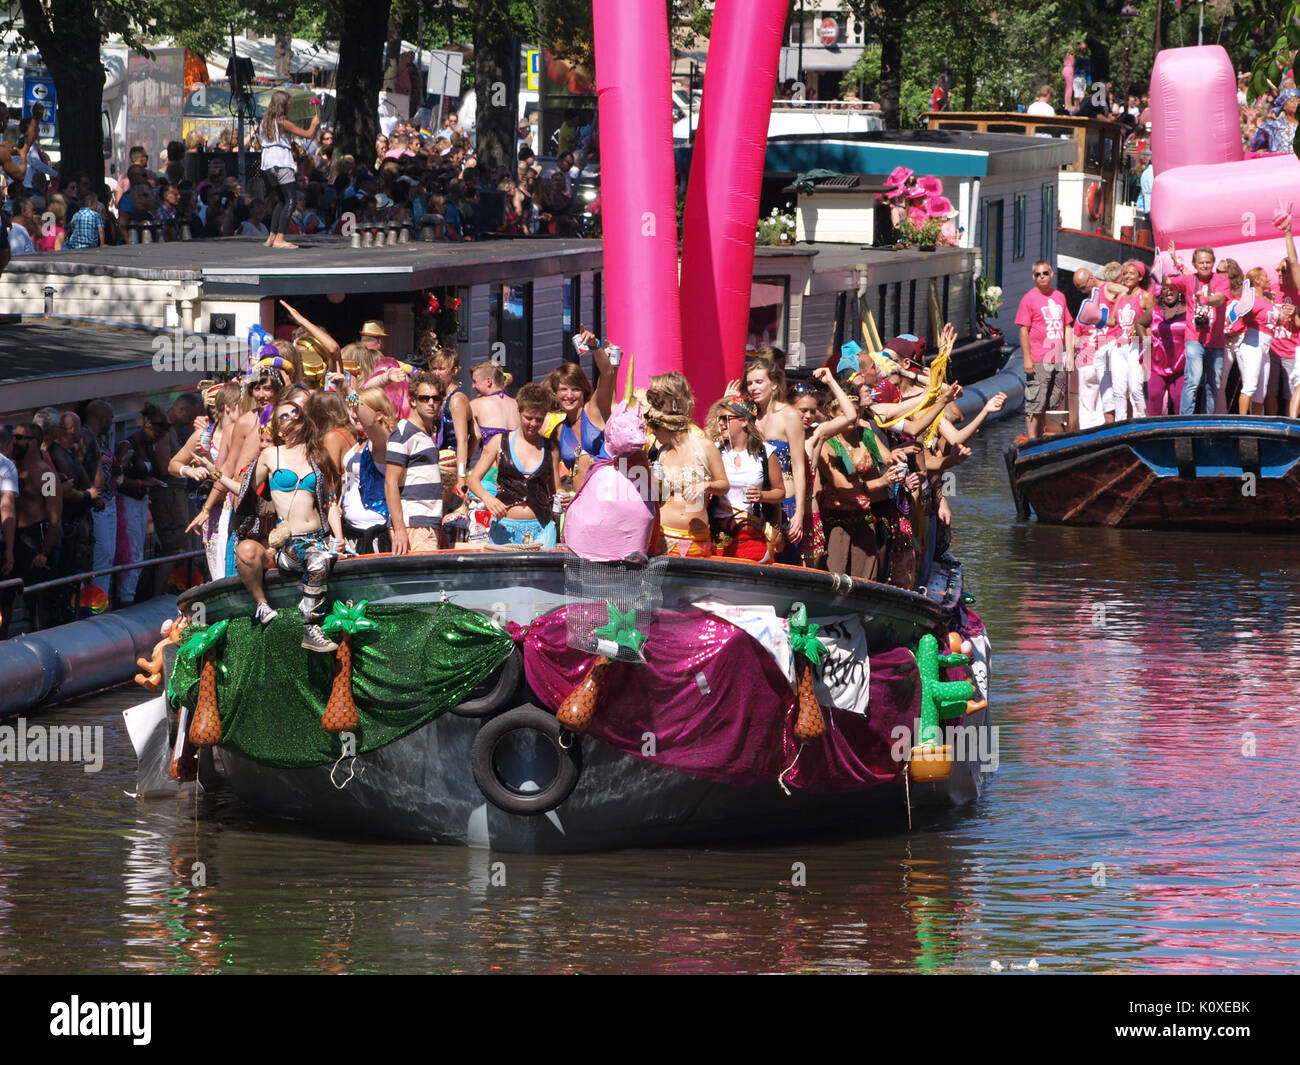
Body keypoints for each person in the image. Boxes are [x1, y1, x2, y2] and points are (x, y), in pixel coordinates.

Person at [220, 398, 343, 652]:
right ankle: (310, 626)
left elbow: (331, 503)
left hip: (319, 536)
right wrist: (216, 476)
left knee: (328, 557)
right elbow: (245, 493)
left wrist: (339, 538)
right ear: (278, 429)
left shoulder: (318, 455)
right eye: (284, 416)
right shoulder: (270, 455)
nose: (291, 418)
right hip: (291, 543)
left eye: (294, 413)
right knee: (317, 560)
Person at [466, 383, 562, 547]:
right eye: (528, 418)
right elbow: (473, 479)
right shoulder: (499, 442)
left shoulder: (551, 448)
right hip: (505, 529)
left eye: (538, 419)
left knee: (542, 574)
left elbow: (555, 489)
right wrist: (488, 498)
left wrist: (563, 495)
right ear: (519, 412)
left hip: (542, 529)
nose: (533, 424)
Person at [645, 373, 727, 558]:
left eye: (658, 398)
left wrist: (706, 485)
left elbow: (724, 484)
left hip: (697, 539)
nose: (653, 402)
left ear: (674, 401)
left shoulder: (703, 444)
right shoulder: (661, 449)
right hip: (663, 536)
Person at [736, 354, 807, 561]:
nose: (753, 388)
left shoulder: (789, 415)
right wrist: (729, 401)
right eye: (749, 383)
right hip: (756, 502)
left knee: (787, 561)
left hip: (787, 502)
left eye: (759, 382)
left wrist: (800, 512)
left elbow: (799, 466)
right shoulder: (749, 418)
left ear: (774, 385)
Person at [711, 398, 784, 562]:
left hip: (752, 535)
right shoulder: (715, 450)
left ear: (744, 421)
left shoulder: (765, 453)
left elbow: (780, 492)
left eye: (726, 419)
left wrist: (762, 495)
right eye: (719, 419)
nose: (721, 423)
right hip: (719, 535)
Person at [1165, 243, 1230, 415]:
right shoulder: (1189, 279)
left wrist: (1205, 299)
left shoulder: (1222, 280)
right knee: (1192, 380)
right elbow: (1167, 281)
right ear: (1195, 265)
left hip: (1215, 341)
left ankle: (1207, 421)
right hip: (1194, 338)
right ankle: (1185, 421)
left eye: (1208, 262)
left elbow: (1220, 299)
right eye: (1201, 263)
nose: (1205, 265)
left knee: (1213, 384)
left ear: (1213, 263)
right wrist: (1164, 266)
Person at [385, 371, 446, 554]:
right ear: (413, 401)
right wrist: (400, 529)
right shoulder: (404, 433)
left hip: (427, 522)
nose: (430, 403)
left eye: (435, 398)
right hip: (414, 524)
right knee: (422, 582)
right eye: (424, 398)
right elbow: (390, 483)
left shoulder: (425, 433)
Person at [115, 405, 168, 605]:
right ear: (146, 427)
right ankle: (124, 597)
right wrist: (142, 483)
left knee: (139, 552)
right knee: (131, 552)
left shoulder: (149, 447)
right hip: (127, 503)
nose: (157, 439)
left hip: (141, 503)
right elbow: (118, 479)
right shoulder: (127, 447)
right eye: (156, 434)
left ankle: (131, 594)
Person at [1016, 260, 1074, 437]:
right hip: (1039, 357)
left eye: (1045, 273)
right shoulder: (1029, 299)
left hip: (1056, 356)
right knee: (1036, 401)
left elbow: (1068, 326)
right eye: (1038, 274)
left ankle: (1042, 437)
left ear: (1051, 274)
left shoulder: (1059, 297)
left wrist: (1069, 355)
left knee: (1053, 399)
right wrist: (1027, 358)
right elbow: (1023, 331)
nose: (1042, 277)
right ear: (1034, 277)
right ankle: (1032, 439)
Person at [260, 89, 320, 250]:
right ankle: (280, 237)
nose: (289, 109)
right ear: (283, 106)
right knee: (292, 200)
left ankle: (272, 236)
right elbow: (307, 135)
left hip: (267, 163)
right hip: (281, 161)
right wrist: (314, 124)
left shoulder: (265, 121)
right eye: (288, 105)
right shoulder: (283, 122)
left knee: (281, 199)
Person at [340, 386, 396, 554]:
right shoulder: (362, 440)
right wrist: (344, 388)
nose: (354, 414)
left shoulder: (381, 442)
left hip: (375, 531)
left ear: (379, 415)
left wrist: (349, 390)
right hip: (351, 531)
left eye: (358, 410)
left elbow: (374, 425)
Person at [1147, 285, 1186, 417]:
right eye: (1164, 289)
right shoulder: (1155, 311)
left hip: (1181, 362)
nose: (1168, 291)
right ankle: (1152, 432)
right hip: (1158, 361)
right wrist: (1146, 340)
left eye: (1172, 288)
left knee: (1179, 398)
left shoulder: (1188, 310)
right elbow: (1139, 324)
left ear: (1179, 291)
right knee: (1154, 395)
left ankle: (1181, 433)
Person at [469, 361, 519, 445]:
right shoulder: (517, 404)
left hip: (492, 458)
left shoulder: (475, 405)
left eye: (475, 381)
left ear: (489, 381)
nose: (473, 386)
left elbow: (477, 437)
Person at [1248, 87, 1298, 154]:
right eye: (1292, 101)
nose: (1296, 103)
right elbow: (1254, 146)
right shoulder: (1273, 126)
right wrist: (1253, 124)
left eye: (1299, 100)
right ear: (1284, 106)